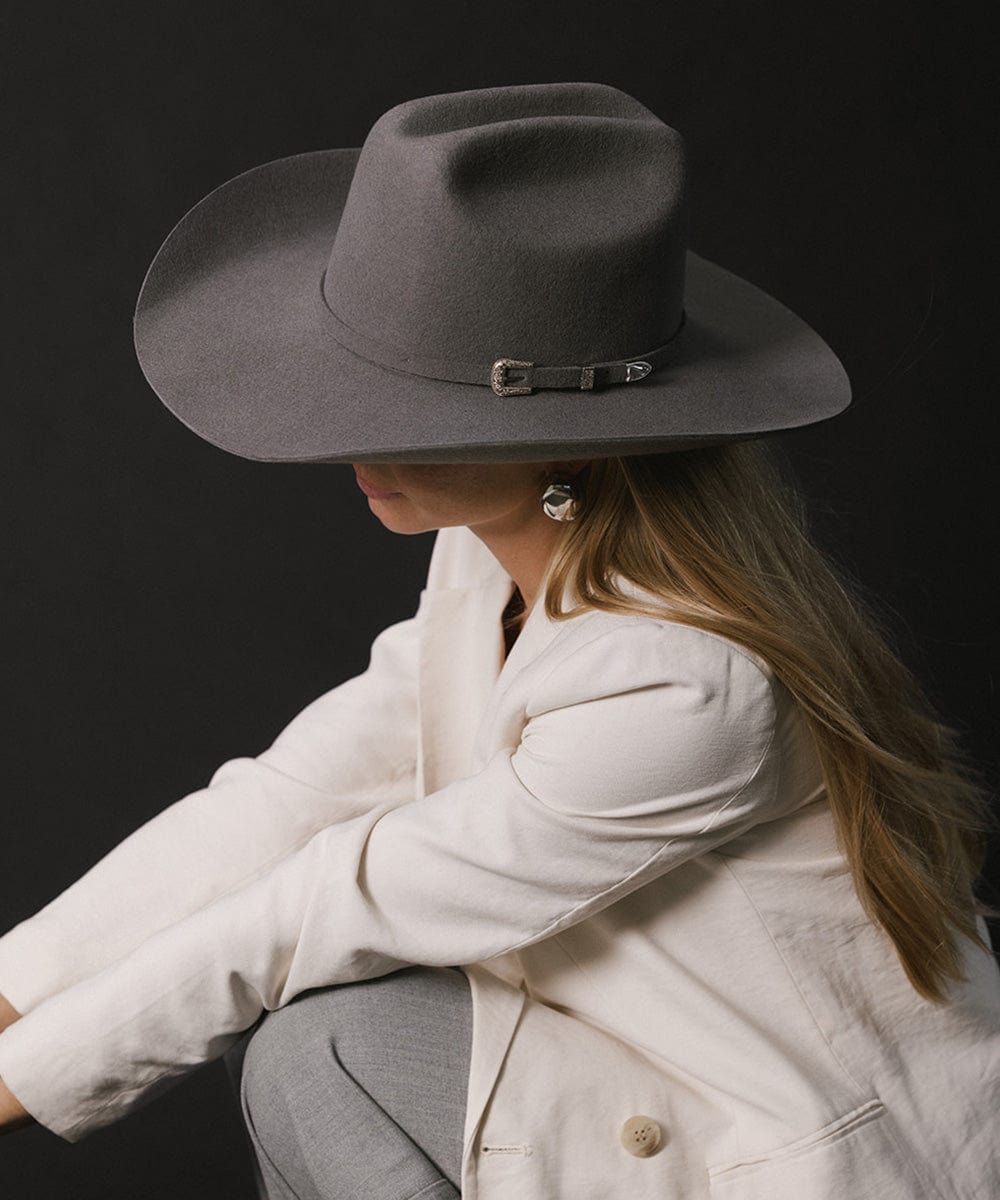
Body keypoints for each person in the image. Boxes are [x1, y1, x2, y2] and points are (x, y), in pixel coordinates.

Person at [0, 80, 997, 1200]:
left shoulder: (686, 686)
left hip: (796, 1137)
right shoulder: (492, 553)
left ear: (574, 438)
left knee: (321, 1049)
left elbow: (336, 901)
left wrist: (22, 1081)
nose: (352, 441)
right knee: (325, 1044)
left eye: (420, 407)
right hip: (635, 1060)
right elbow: (288, 801)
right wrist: (15, 990)